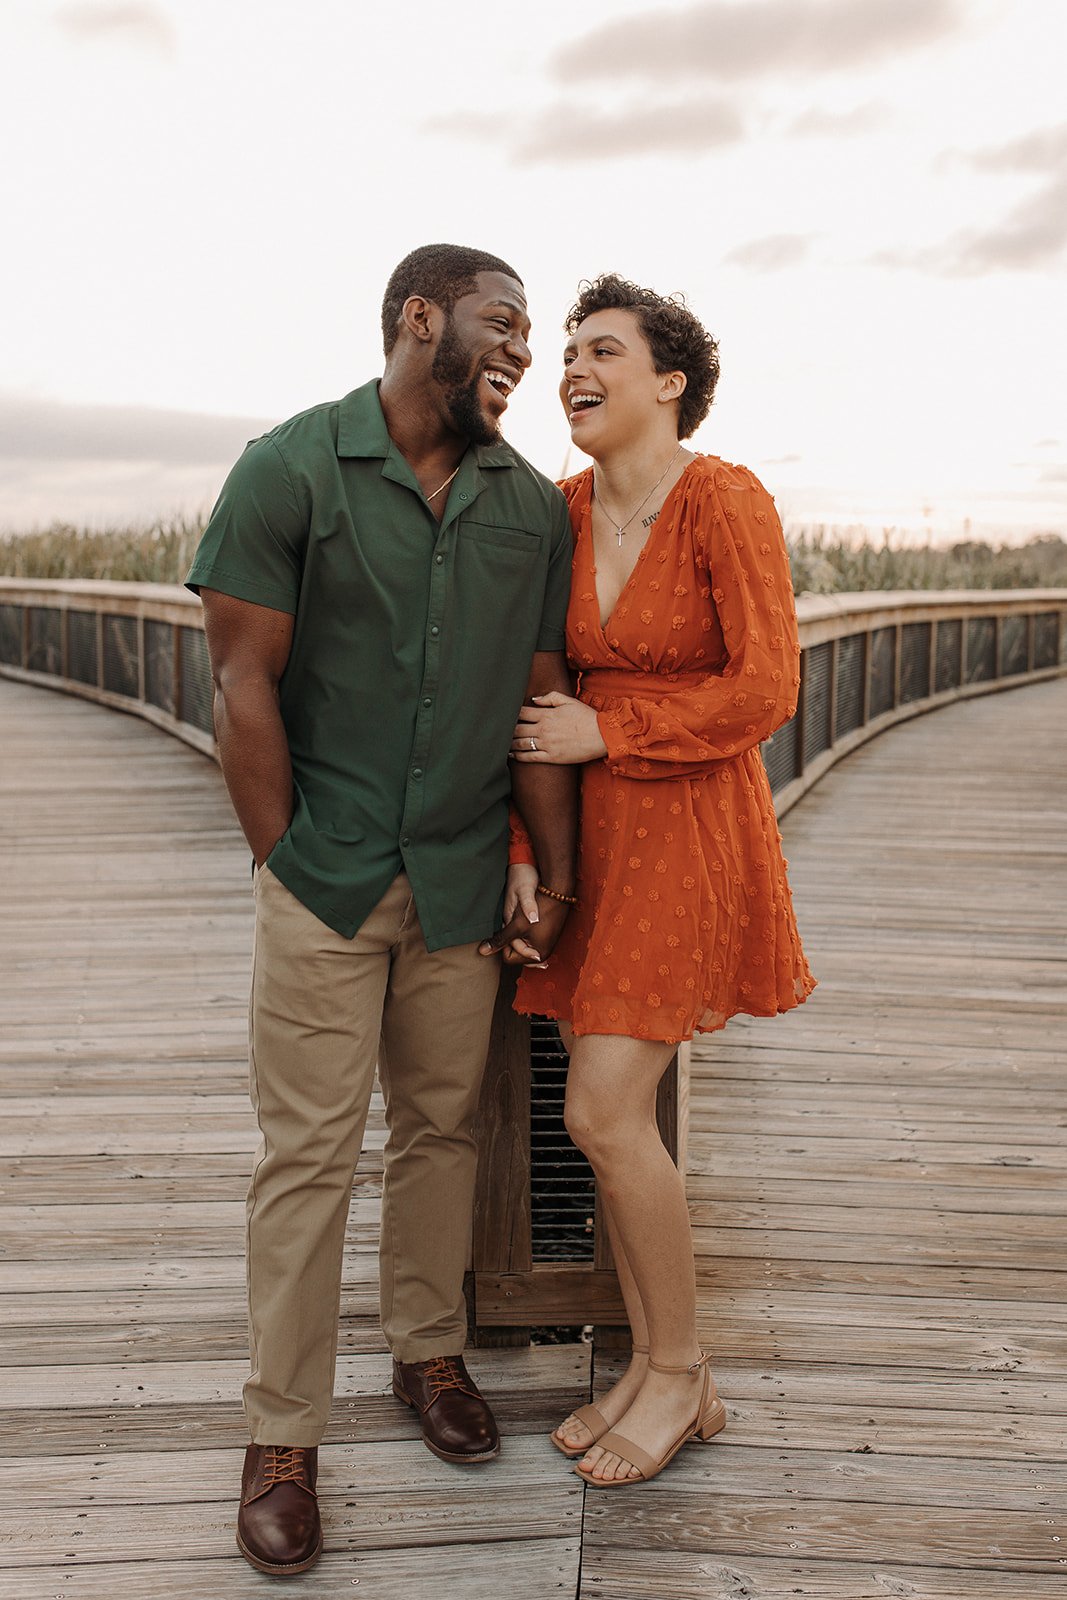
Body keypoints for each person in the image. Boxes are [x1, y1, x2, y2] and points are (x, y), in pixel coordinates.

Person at [185, 243, 578, 1575]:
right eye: (502, 325)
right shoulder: (288, 467)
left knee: (439, 1135)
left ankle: (425, 1354)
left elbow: (535, 707)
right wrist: (284, 863)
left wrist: (548, 866)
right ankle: (282, 1435)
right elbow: (241, 686)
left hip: (465, 878)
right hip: (325, 876)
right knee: (304, 1159)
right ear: (422, 318)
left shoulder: (532, 510)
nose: (524, 352)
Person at [494, 273, 814, 1488]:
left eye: (602, 350)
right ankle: (655, 1368)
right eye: (568, 353)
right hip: (591, 845)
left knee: (598, 1112)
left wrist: (610, 737)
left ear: (668, 383)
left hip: (686, 833)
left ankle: (676, 1371)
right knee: (607, 1111)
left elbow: (763, 689)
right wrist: (530, 850)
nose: (571, 369)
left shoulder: (721, 500)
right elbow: (536, 700)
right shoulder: (564, 512)